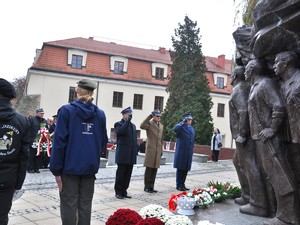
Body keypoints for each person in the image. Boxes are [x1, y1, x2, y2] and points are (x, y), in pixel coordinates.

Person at [245, 59, 299, 225]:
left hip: (270, 139)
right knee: (273, 176)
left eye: (247, 69)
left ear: (252, 70)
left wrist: (271, 129)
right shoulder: (256, 86)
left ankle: (288, 217)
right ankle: (282, 213)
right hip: (261, 138)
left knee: (280, 176)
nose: (244, 72)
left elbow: (279, 106)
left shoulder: (265, 84)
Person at [50, 78, 108, 225]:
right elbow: (103, 143)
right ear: (92, 92)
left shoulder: (66, 111)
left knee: (69, 204)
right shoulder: (100, 114)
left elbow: (59, 143)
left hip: (69, 168)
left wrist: (56, 170)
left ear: (77, 90)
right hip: (89, 168)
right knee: (85, 205)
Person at [229, 66, 269, 211]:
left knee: (249, 165)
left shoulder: (238, 89)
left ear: (235, 75)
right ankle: (247, 194)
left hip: (243, 135)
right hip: (248, 134)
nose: (230, 77)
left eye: (231, 74)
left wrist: (242, 133)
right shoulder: (247, 86)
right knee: (238, 162)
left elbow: (243, 111)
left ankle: (258, 203)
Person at [0, 78, 30, 225]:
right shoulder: (22, 120)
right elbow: (24, 156)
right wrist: (18, 184)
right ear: (11, 98)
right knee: (2, 216)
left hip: (7, 178)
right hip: (7, 179)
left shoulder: (23, 120)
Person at [274, 51, 300, 210]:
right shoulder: (283, 84)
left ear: (287, 63)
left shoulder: (298, 82)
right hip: (291, 138)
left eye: (277, 62)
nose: (274, 66)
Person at [114, 107, 138, 199]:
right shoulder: (118, 124)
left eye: (130, 114)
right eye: (128, 114)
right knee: (120, 175)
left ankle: (124, 191)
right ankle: (118, 192)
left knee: (128, 175)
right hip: (123, 155)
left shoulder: (133, 126)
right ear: (123, 115)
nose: (129, 116)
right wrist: (127, 122)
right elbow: (121, 132)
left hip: (131, 155)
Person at [140, 110, 164, 193]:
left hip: (158, 150)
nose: (159, 118)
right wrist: (149, 116)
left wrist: (161, 149)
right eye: (157, 116)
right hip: (151, 149)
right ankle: (146, 186)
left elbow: (161, 139)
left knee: (155, 169)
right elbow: (142, 126)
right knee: (149, 168)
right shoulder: (149, 124)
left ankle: (151, 186)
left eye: (159, 116)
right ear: (153, 116)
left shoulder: (161, 126)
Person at [173, 113, 195, 191]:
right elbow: (175, 129)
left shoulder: (191, 128)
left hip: (188, 152)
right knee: (180, 169)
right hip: (181, 151)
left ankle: (183, 184)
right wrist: (182, 123)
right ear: (185, 120)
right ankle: (178, 185)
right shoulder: (181, 127)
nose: (190, 121)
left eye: (191, 120)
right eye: (188, 120)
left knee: (185, 170)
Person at [27, 108, 47, 173]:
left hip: (40, 140)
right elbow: (28, 129)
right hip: (32, 140)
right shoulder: (32, 119)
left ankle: (36, 168)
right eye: (41, 113)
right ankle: (31, 168)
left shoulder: (44, 121)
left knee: (39, 155)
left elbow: (45, 130)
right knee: (31, 155)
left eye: (43, 113)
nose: (42, 115)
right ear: (37, 113)